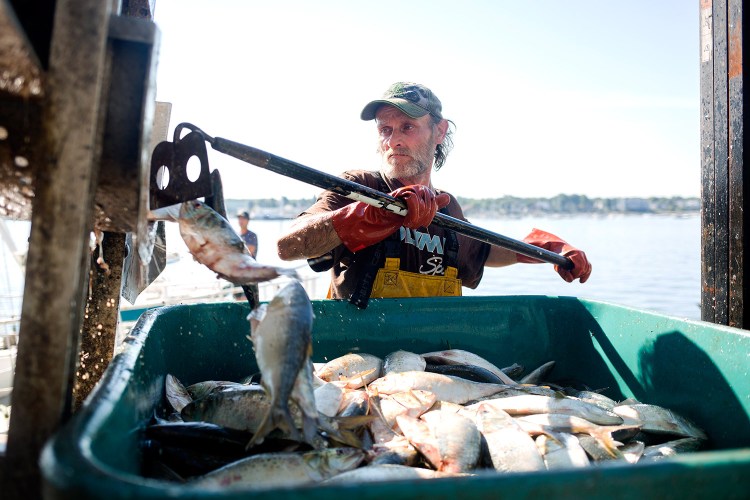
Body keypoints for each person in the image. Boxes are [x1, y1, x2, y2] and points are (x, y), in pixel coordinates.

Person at [277, 82, 591, 308]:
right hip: (363, 362)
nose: (393, 140)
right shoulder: (357, 188)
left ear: (439, 132)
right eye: (385, 129)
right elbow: (288, 245)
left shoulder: (447, 207)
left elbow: (481, 252)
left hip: (436, 358)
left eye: (407, 127)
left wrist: (546, 248)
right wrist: (367, 216)